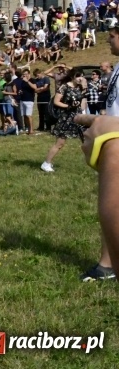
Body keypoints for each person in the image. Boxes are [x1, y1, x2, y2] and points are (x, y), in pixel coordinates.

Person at [75, 26, 119, 281]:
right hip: (110, 142)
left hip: (116, 141)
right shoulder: (116, 69)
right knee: (110, 205)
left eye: (112, 36)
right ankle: (107, 263)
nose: (108, 41)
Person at [40, 69, 87, 172]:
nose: (80, 78)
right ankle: (46, 163)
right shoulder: (64, 87)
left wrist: (84, 90)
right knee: (60, 143)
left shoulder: (79, 87)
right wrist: (68, 106)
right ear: (72, 76)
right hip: (66, 118)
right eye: (78, 76)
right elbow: (56, 102)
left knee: (87, 140)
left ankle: (97, 164)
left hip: (78, 116)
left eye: (82, 76)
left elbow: (82, 103)